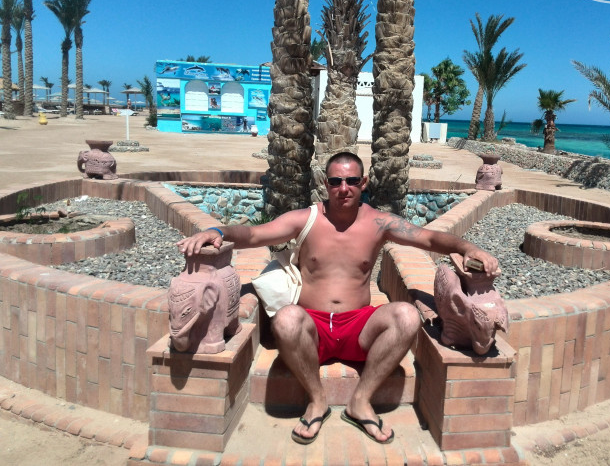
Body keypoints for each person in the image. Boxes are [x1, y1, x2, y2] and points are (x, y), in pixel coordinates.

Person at [176, 152, 499, 445]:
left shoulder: (378, 223)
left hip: (358, 327)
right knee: (285, 319)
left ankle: (361, 401)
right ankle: (317, 400)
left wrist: (468, 248)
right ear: (325, 184)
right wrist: (218, 232)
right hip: (312, 327)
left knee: (407, 316)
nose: (344, 188)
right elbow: (255, 234)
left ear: (363, 183)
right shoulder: (307, 219)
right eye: (336, 181)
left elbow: (427, 238)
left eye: (351, 181)